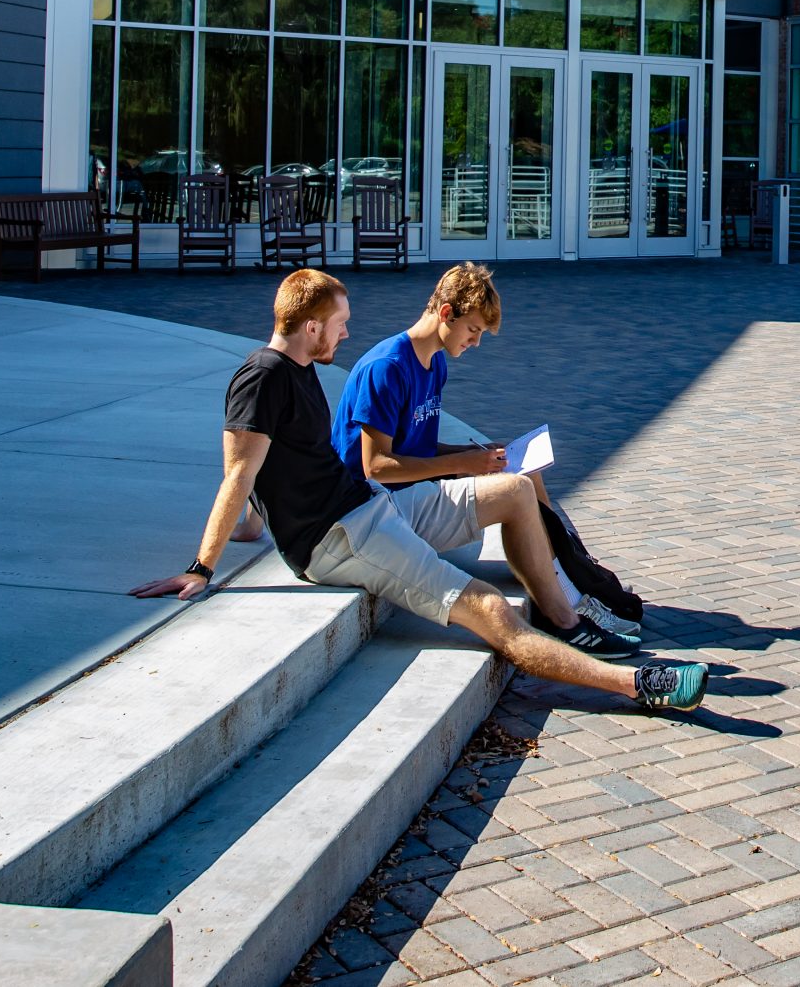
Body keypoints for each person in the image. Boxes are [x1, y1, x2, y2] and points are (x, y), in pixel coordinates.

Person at [130, 269, 707, 711]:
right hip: (343, 536)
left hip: (369, 509)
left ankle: (577, 597)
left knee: (517, 488)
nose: (348, 330)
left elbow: (278, 467)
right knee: (488, 607)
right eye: (340, 322)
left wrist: (253, 523)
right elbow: (240, 470)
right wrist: (201, 567)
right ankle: (638, 684)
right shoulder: (263, 376)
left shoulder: (298, 370)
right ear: (311, 325)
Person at [336, 262, 642, 640]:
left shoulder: (433, 364)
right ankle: (565, 615)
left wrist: (478, 455)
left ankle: (578, 581)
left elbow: (418, 447)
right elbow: (377, 467)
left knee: (524, 469)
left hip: (409, 494)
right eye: (473, 330)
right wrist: (465, 463)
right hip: (380, 510)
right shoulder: (387, 367)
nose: (476, 342)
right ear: (446, 313)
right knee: (515, 493)